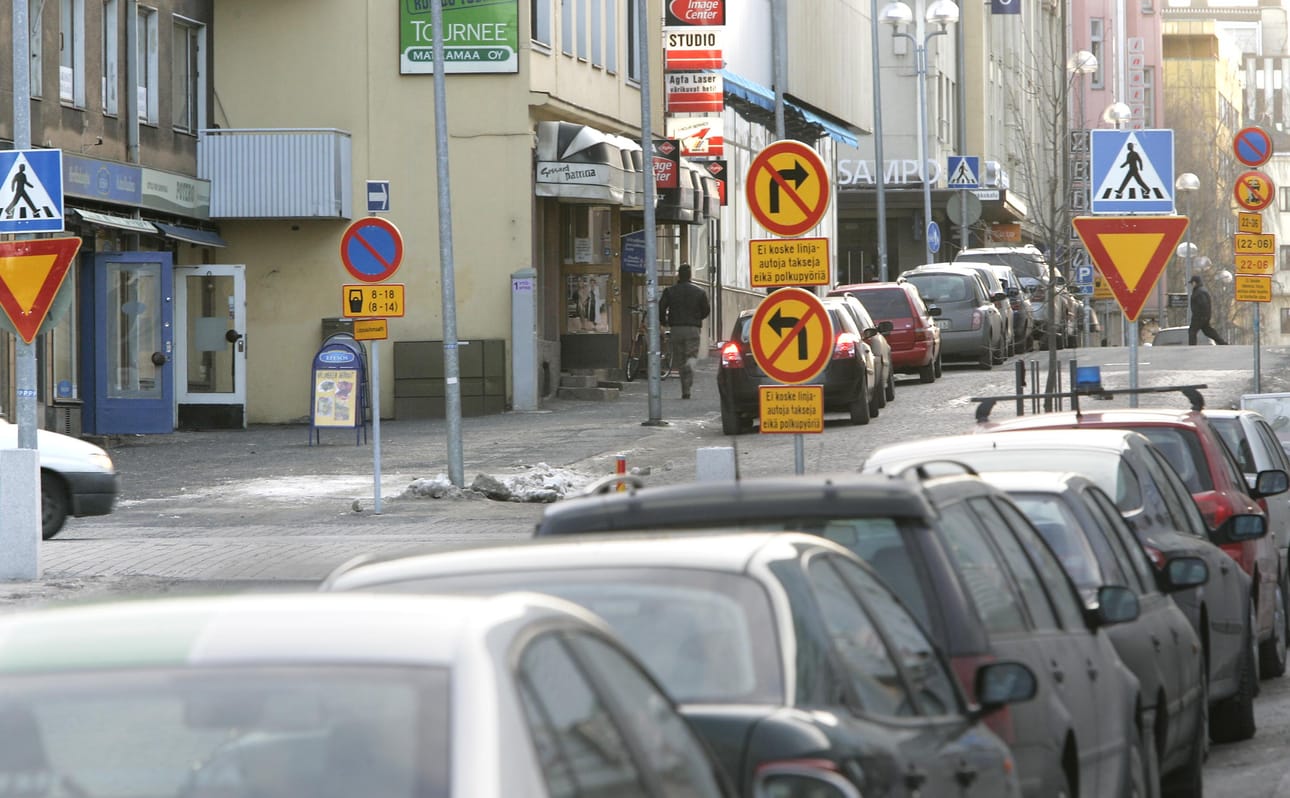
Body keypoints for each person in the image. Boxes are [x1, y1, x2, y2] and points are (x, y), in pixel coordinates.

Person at [658, 264, 711, 399]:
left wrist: (664, 322)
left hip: (676, 329)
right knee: (691, 356)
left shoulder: (670, 291)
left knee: (680, 359)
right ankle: (688, 381)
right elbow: (706, 310)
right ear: (690, 276)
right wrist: (697, 318)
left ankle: (685, 389)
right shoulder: (699, 292)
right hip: (693, 329)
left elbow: (661, 307)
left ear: (678, 275)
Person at [1188, 275, 1228, 345]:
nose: (1192, 284)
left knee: (1192, 331)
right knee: (1208, 331)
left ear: (1195, 282)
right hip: (1203, 316)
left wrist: (1200, 315)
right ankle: (1222, 342)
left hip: (1199, 317)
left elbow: (1203, 304)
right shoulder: (1201, 290)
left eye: (1192, 283)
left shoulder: (1199, 292)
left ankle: (1192, 346)